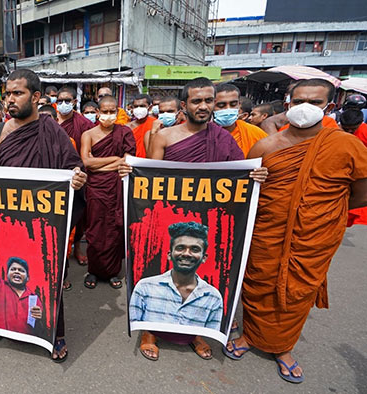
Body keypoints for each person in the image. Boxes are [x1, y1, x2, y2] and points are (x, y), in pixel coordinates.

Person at [227, 79, 367, 384]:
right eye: (299, 100)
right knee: (257, 282)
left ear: (330, 107)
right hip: (267, 230)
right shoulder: (266, 146)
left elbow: (361, 193)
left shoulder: (346, 145)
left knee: (298, 292)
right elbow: (245, 191)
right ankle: (250, 336)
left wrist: (322, 211)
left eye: (315, 102)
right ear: (289, 104)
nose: (306, 107)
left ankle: (283, 347)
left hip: (315, 236)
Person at [121, 77, 268, 362]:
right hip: (167, 217)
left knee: (205, 274)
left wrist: (255, 177)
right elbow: (150, 178)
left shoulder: (222, 138)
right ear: (184, 104)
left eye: (208, 100)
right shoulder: (164, 136)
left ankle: (197, 332)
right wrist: (130, 174)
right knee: (158, 269)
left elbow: (238, 172)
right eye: (197, 101)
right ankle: (150, 331)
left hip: (209, 218)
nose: (204, 106)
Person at [0, 69, 86, 362]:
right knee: (1, 276)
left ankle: (53, 333)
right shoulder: (0, 130)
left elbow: (74, 167)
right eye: (7, 93)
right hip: (6, 221)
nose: (10, 99)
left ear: (35, 97)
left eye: (17, 93)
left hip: (40, 222)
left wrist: (76, 178)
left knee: (44, 277)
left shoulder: (52, 130)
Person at [80, 95, 136, 289]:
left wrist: (100, 165)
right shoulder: (88, 134)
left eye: (112, 112)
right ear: (98, 112)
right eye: (105, 112)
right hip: (96, 187)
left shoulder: (124, 132)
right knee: (95, 229)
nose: (108, 115)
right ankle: (94, 270)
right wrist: (115, 159)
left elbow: (128, 159)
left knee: (115, 227)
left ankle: (112, 272)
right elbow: (86, 162)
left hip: (117, 186)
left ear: (118, 112)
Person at [130, 222, 223, 330]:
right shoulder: (145, 287)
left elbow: (210, 338)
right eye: (180, 248)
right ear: (169, 255)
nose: (186, 254)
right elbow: (134, 331)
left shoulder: (213, 297)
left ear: (204, 257)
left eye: (195, 249)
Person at [0, 212, 44, 337]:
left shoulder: (34, 299)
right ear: (6, 274)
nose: (17, 272)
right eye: (13, 269)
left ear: (28, 278)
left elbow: (38, 328)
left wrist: (40, 318)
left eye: (21, 270)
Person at [56, 86, 93, 266]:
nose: (63, 104)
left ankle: (77, 248)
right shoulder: (49, 122)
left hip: (78, 175)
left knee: (78, 215)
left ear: (75, 102)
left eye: (67, 101)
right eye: (60, 101)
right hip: (55, 176)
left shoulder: (84, 124)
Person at [213, 84, 268, 157]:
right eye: (221, 105)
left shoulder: (255, 133)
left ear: (239, 105)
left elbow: (268, 160)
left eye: (233, 104)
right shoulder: (202, 134)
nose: (228, 109)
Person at [340, 109, 367, 227]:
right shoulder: (335, 130)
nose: (350, 131)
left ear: (361, 123)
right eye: (347, 129)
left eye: (353, 129)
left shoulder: (365, 131)